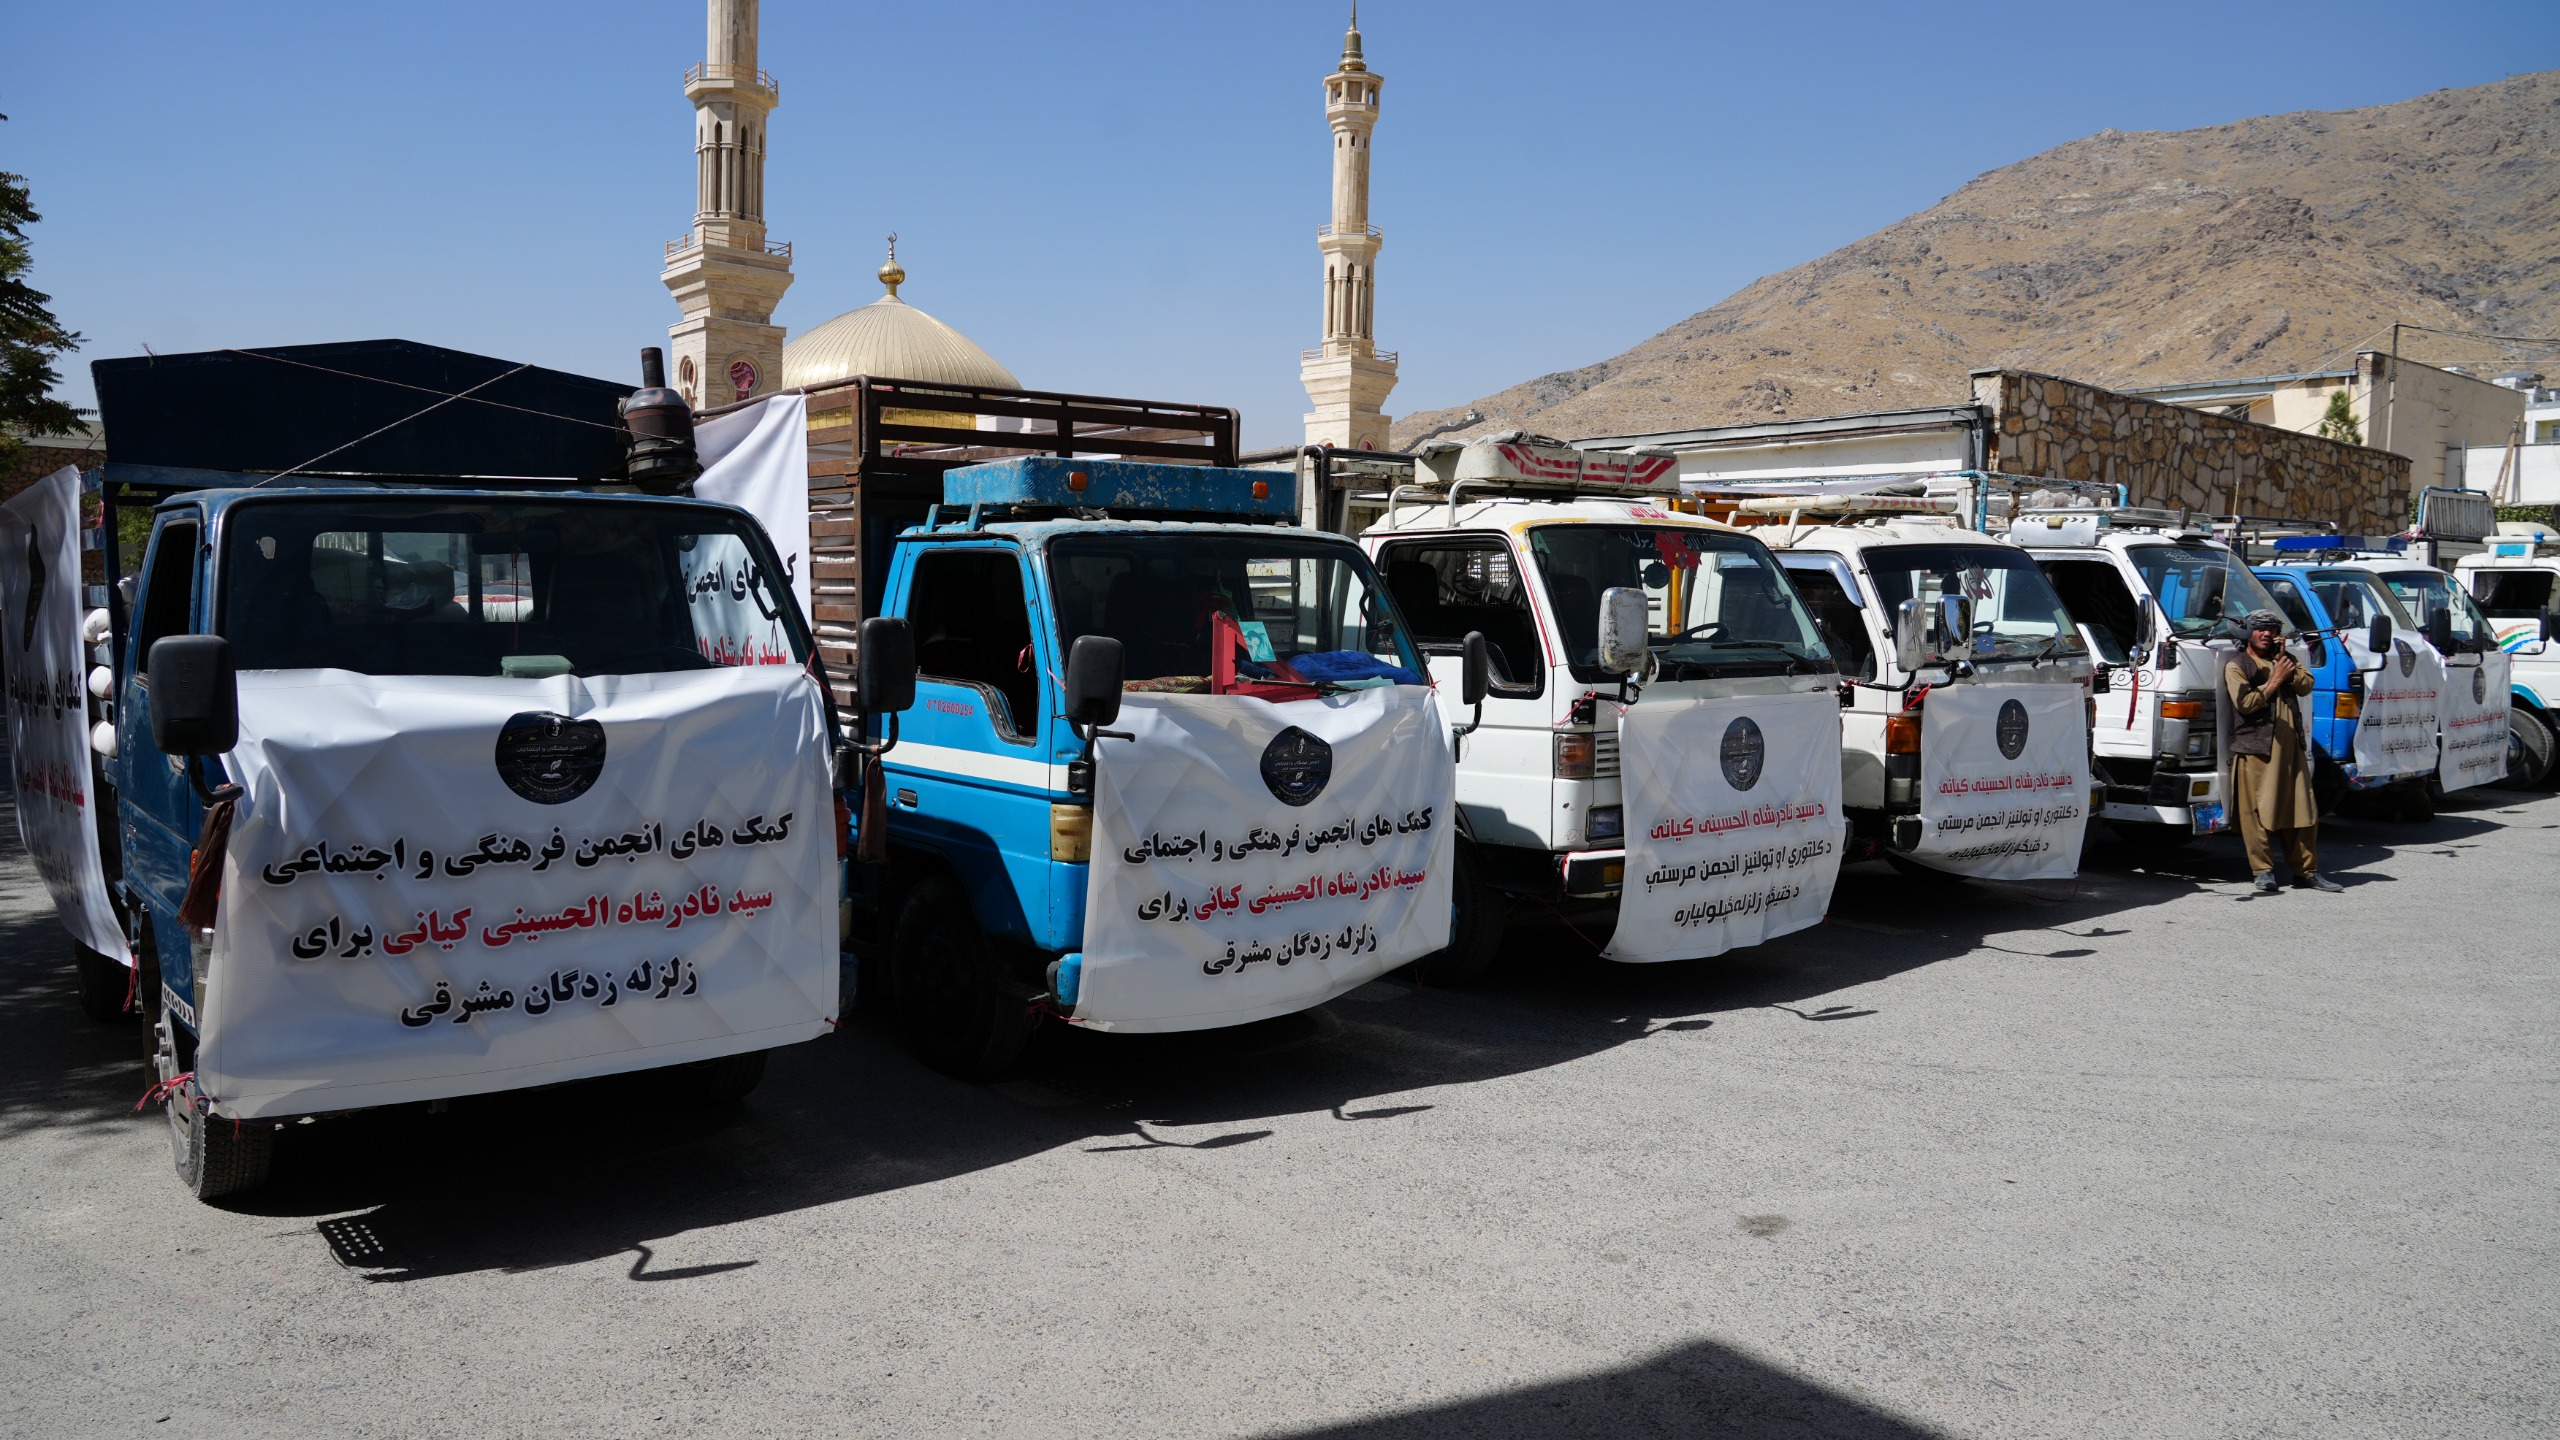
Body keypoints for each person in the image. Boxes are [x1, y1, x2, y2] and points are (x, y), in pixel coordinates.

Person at [2224, 608, 2339, 895]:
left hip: (2291, 751)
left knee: (2303, 811)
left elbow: (2306, 685)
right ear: (2248, 632)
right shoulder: (2237, 665)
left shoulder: (2285, 661)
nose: (2267, 633)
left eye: (2273, 629)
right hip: (2257, 751)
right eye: (2261, 628)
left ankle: (2306, 873)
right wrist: (2275, 679)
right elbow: (2246, 704)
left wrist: (2281, 662)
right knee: (2257, 814)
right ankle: (2263, 872)